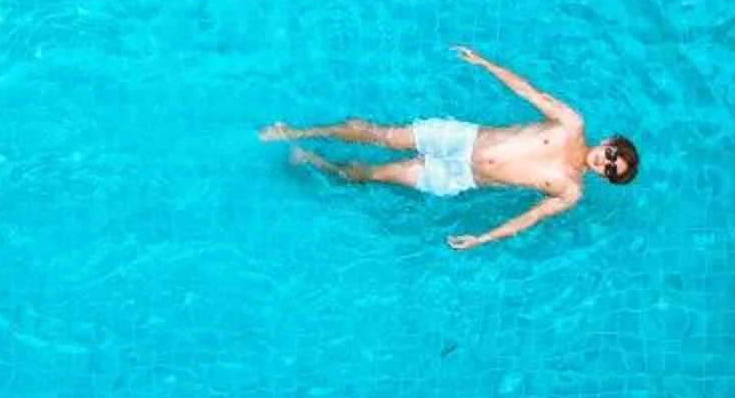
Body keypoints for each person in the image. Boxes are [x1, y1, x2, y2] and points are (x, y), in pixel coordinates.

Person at [261, 45, 639, 249]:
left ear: (605, 179)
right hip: (460, 138)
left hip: (457, 175)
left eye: (610, 170)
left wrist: (483, 239)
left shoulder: (570, 191)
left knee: (372, 175)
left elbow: (530, 218)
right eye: (611, 156)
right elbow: (529, 92)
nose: (604, 162)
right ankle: (297, 132)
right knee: (380, 134)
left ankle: (313, 160)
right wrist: (486, 63)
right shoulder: (572, 124)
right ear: (607, 143)